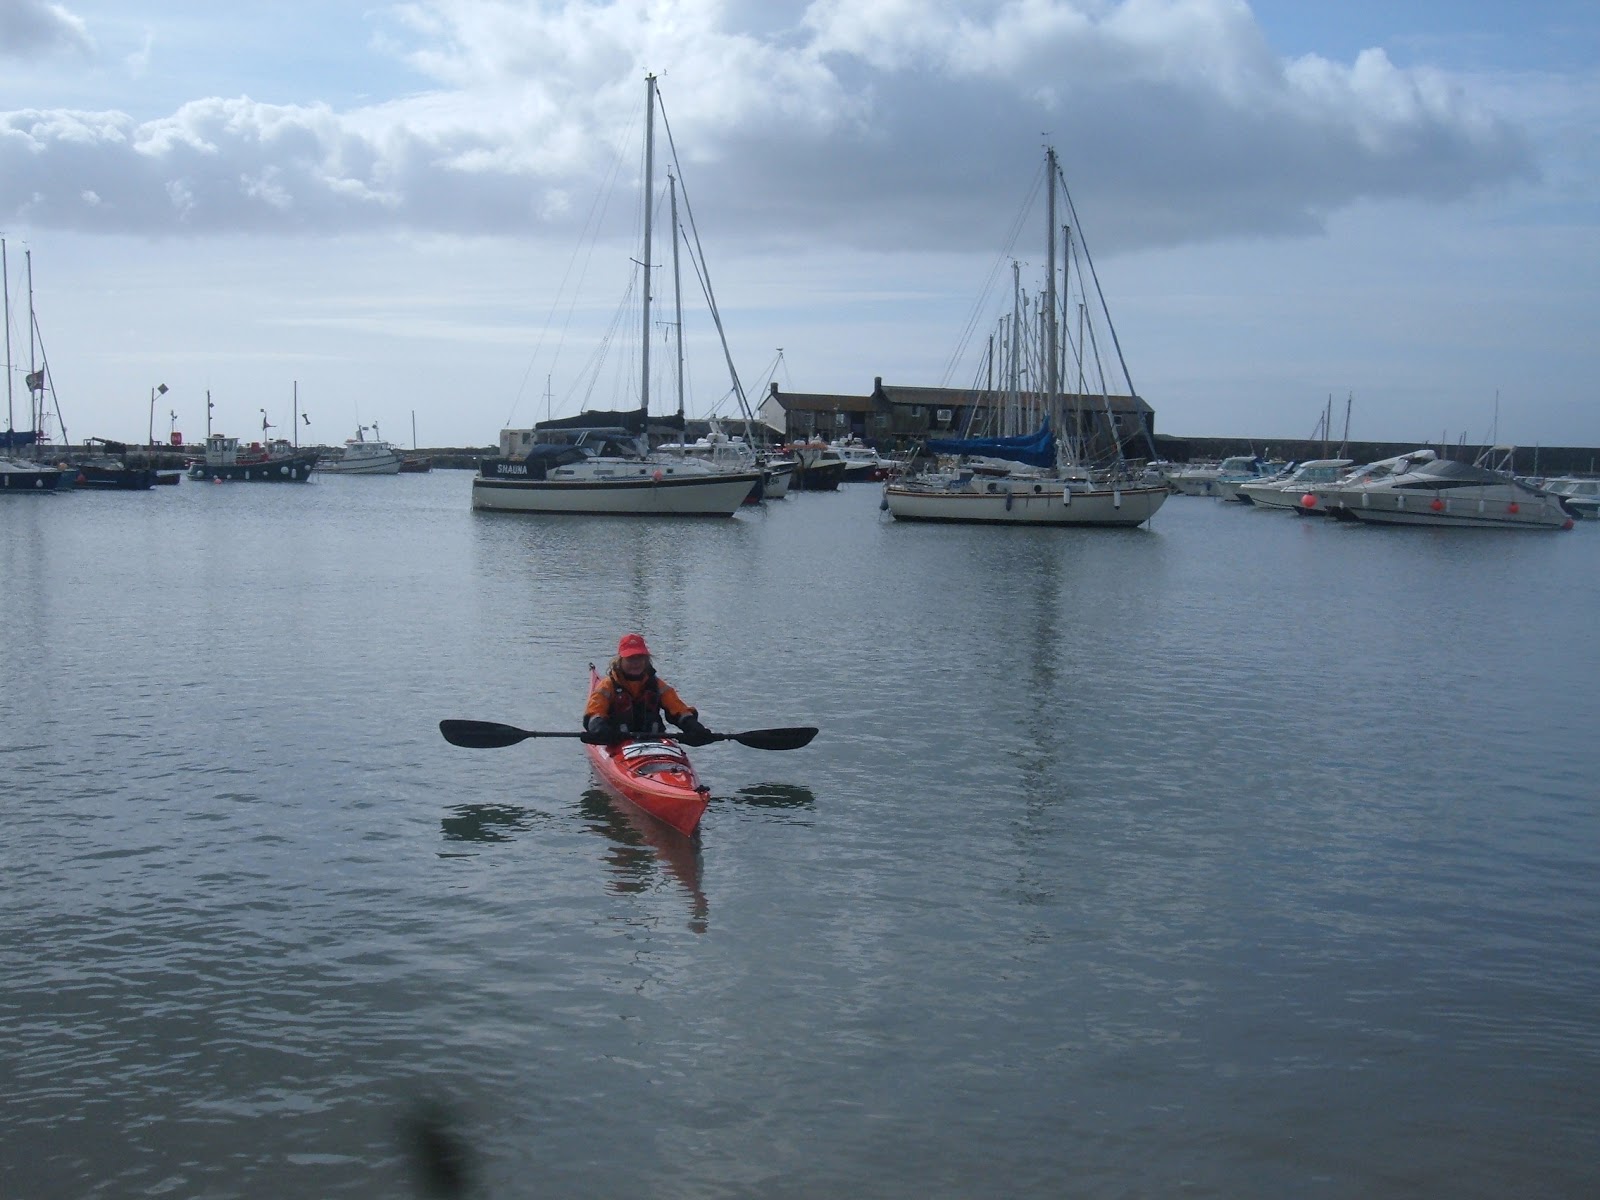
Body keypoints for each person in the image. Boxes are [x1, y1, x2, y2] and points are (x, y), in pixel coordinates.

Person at [584, 633, 715, 745]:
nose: (636, 663)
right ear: (620, 661)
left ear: (647, 659)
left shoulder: (658, 685)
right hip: (617, 742)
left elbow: (677, 708)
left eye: (640, 657)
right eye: (630, 658)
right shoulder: (607, 686)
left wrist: (693, 726)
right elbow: (594, 712)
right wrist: (599, 729)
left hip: (655, 742)